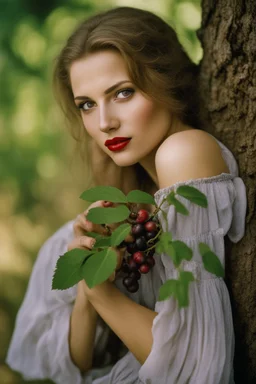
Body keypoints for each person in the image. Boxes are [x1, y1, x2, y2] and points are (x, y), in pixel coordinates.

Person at [6, 6, 247, 384]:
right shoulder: (131, 198)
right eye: (86, 104)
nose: (104, 122)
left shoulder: (182, 152)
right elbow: (80, 364)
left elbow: (196, 365)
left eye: (122, 93)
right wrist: (89, 290)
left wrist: (103, 295)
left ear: (165, 81)